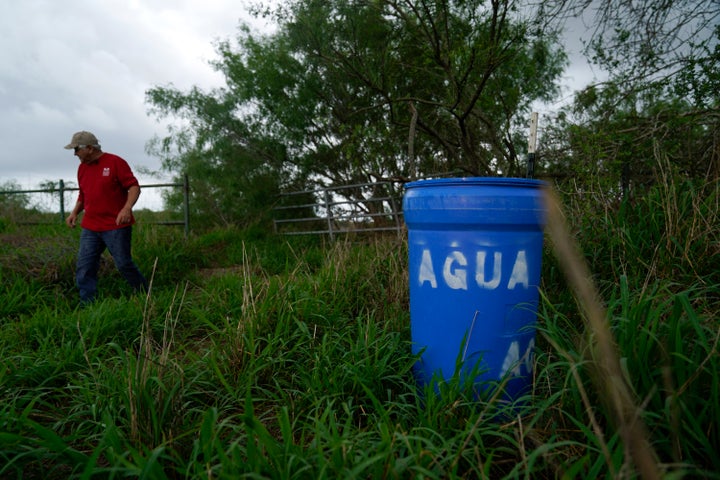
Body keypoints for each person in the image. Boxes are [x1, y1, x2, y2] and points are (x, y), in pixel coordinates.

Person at [64, 131, 148, 304]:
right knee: (85, 266)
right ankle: (88, 304)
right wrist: (74, 213)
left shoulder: (115, 162)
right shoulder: (82, 168)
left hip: (116, 226)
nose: (75, 154)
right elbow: (83, 195)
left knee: (124, 264)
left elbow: (134, 187)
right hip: (91, 227)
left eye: (77, 149)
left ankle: (144, 295)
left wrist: (126, 208)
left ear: (89, 148)